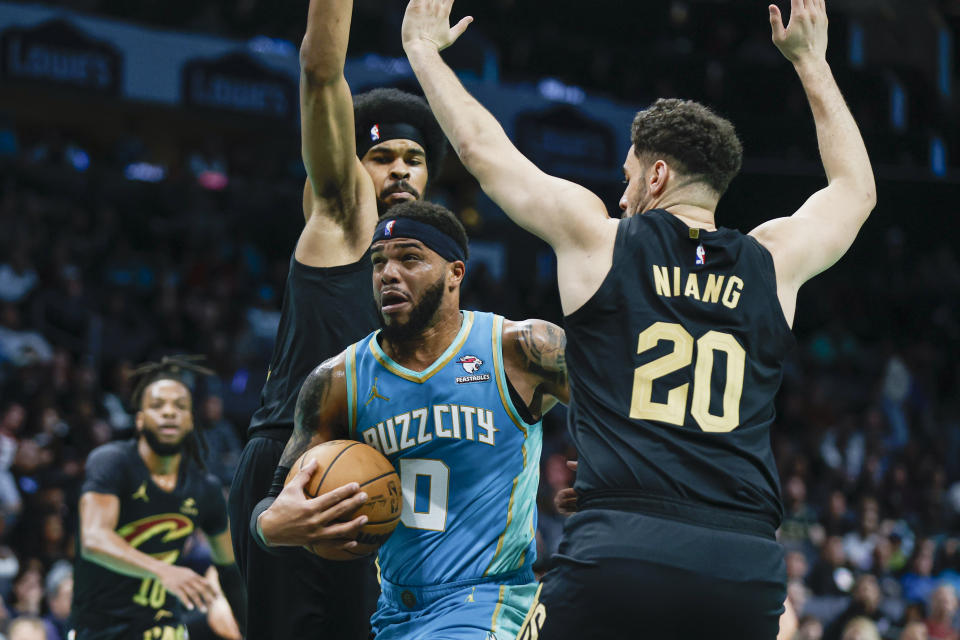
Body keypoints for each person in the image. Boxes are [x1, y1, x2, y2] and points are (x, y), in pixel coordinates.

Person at [400, 0, 875, 636]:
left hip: (621, 551)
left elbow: (481, 149)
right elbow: (855, 191)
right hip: (743, 569)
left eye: (626, 178)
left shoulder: (601, 242)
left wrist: (423, 51)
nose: (621, 197)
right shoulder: (773, 262)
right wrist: (812, 62)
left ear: (656, 174)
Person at [224, 0, 448, 635]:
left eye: (415, 157)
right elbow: (321, 71)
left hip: (373, 476)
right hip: (290, 467)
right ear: (354, 167)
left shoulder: (432, 272)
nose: (401, 168)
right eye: (383, 157)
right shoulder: (346, 218)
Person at [255, 201, 569, 639]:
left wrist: (606, 476)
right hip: (393, 612)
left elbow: (623, 410)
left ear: (455, 273)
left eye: (410, 258)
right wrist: (271, 526)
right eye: (378, 262)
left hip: (491, 602)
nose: (388, 273)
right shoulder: (338, 379)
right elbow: (274, 503)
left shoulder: (519, 349)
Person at [71, 357, 246, 640]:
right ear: (139, 420)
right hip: (100, 629)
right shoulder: (112, 462)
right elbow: (93, 539)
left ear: (190, 421)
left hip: (163, 627)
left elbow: (230, 572)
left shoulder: (205, 489)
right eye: (157, 406)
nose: (169, 413)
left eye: (180, 406)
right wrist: (164, 571)